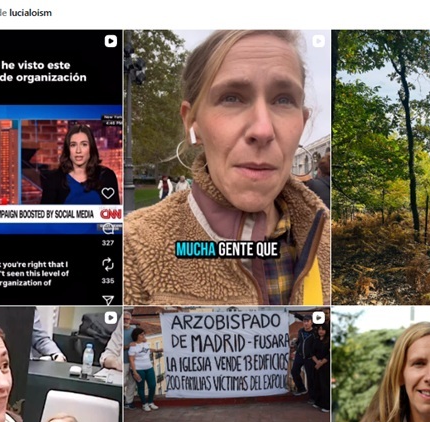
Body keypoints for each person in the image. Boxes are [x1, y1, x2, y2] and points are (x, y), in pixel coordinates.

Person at [124, 30, 330, 306]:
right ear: (192, 122)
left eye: (283, 100)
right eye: (232, 98)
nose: (262, 129)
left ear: (302, 123)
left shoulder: (330, 237)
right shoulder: (132, 246)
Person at [40, 124, 120, 205]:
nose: (78, 150)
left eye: (84, 144)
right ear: (68, 149)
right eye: (73, 145)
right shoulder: (53, 180)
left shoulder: (107, 176)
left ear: (91, 148)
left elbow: (114, 214)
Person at [100, 310, 136, 409]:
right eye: (124, 319)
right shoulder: (118, 334)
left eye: (128, 319)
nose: (126, 321)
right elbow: (106, 356)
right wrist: (115, 363)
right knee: (123, 382)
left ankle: (129, 402)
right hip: (121, 364)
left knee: (132, 383)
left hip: (133, 362)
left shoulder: (134, 331)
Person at [128, 327, 161, 412]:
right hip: (139, 369)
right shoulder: (133, 346)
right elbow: (131, 360)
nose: (143, 336)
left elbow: (147, 350)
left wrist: (157, 350)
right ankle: (144, 404)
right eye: (141, 334)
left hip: (149, 367)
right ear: (137, 336)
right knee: (141, 387)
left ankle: (150, 402)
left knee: (152, 385)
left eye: (144, 334)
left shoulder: (145, 343)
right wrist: (134, 372)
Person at [292, 315, 315, 399]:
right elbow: (299, 341)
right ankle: (301, 388)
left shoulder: (314, 333)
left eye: (308, 321)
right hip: (299, 355)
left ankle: (312, 397)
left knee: (310, 377)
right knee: (294, 371)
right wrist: (294, 344)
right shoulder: (300, 331)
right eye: (304, 321)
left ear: (311, 322)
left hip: (309, 358)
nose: (306, 323)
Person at [311, 322, 330, 413]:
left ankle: (327, 405)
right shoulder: (317, 340)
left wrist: (321, 363)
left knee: (325, 385)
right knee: (317, 384)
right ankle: (318, 402)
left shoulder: (329, 340)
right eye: (319, 329)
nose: (321, 331)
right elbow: (312, 353)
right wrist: (317, 362)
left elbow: (329, 354)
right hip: (317, 365)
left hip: (325, 365)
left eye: (322, 329)